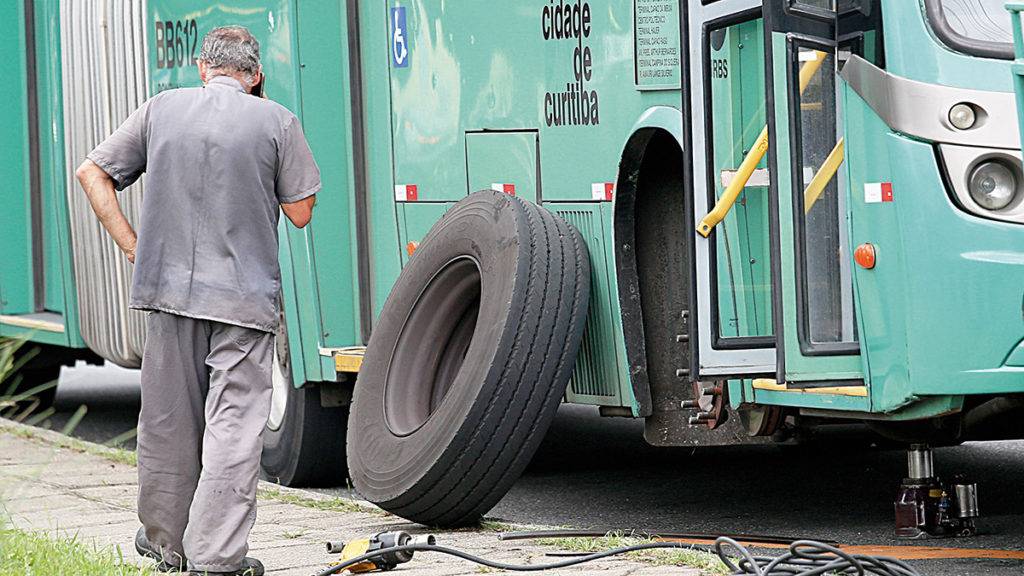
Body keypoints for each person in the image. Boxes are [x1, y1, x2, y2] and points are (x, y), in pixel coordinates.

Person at [75, 25, 320, 576]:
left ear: (203, 68)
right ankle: (217, 556)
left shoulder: (163, 108)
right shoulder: (277, 120)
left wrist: (134, 247)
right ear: (256, 75)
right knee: (234, 426)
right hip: (244, 302)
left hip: (167, 294)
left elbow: (91, 171)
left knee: (168, 423)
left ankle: (167, 545)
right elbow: (301, 211)